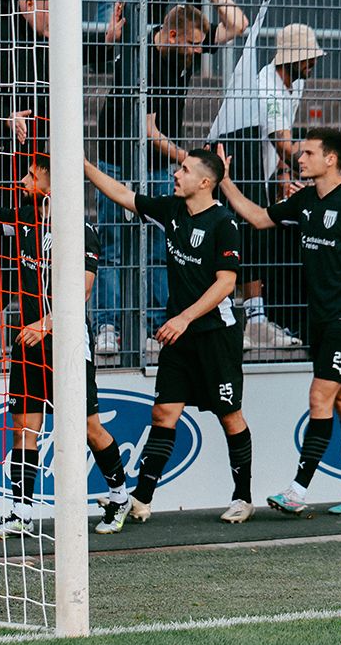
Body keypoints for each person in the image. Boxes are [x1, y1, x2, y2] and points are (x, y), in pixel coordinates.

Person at [0, 130, 130, 537]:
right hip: (29, 343)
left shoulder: (79, 229)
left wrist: (45, 324)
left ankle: (119, 496)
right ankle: (21, 512)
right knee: (23, 427)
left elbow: (82, 290)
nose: (23, 181)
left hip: (65, 345)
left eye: (32, 175)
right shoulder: (26, 216)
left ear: (53, 182)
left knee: (87, 427)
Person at [217, 128, 341, 516]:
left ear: (330, 159)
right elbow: (259, 218)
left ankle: (297, 491)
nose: (299, 159)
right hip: (320, 320)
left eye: (308, 153)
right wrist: (226, 181)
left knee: (320, 398)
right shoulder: (305, 200)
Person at [83, 149, 254, 529]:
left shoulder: (223, 223)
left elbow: (226, 284)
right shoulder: (172, 209)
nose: (176, 174)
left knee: (230, 416)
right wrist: (84, 164)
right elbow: (123, 195)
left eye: (185, 170)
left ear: (205, 182)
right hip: (180, 335)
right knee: (164, 414)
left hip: (215, 335)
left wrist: (184, 317)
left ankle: (243, 497)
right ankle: (142, 499)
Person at [89, 0, 247, 357]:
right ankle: (108, 325)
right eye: (193, 45)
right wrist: (189, 158)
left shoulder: (185, 49)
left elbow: (238, 24)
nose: (199, 51)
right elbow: (148, 129)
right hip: (119, 159)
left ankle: (155, 325)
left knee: (161, 248)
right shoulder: (142, 56)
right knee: (113, 245)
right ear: (172, 35)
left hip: (160, 167)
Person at [210, 22, 324, 349]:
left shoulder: (294, 84)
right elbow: (284, 144)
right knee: (249, 238)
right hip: (237, 165)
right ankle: (251, 320)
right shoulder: (268, 88)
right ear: (292, 58)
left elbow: (281, 142)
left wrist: (284, 177)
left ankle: (256, 319)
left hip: (259, 169)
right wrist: (321, 167)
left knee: (259, 238)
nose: (313, 63)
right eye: (308, 57)